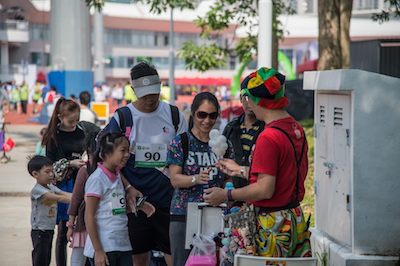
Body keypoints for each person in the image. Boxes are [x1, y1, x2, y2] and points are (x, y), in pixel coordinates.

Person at [204, 67, 312, 257]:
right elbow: (284, 175)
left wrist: (226, 195)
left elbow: (265, 190)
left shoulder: (268, 137)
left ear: (254, 100)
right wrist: (240, 170)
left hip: (273, 225)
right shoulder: (296, 127)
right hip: (294, 219)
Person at [100, 61, 187, 266]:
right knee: (138, 259)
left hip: (169, 202)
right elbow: (106, 161)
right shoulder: (123, 117)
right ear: (133, 90)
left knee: (174, 258)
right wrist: (128, 188)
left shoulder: (174, 115)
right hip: (134, 203)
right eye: (145, 94)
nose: (150, 99)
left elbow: (186, 153)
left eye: (154, 93)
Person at [167, 92, 233, 266]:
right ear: (193, 113)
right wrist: (195, 179)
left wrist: (227, 192)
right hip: (184, 214)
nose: (207, 120)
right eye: (202, 115)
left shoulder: (224, 145)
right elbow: (174, 179)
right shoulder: (180, 142)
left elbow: (229, 179)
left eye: (212, 115)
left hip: (216, 214)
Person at [42, 98, 86, 266]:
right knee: (62, 230)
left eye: (76, 120)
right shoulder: (53, 136)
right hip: (61, 186)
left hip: (79, 183)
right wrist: (70, 163)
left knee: (82, 225)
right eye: (70, 120)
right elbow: (48, 165)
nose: (74, 123)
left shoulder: (81, 132)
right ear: (60, 117)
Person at [84, 133, 133, 266]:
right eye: (123, 150)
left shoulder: (117, 176)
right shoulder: (97, 179)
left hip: (122, 244)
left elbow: (113, 209)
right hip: (106, 247)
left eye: (128, 150)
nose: (127, 154)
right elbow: (89, 216)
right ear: (107, 153)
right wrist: (98, 251)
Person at [28, 155, 72, 266]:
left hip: (48, 229)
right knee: (40, 260)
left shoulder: (50, 187)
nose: (51, 174)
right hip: (39, 231)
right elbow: (60, 198)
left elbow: (65, 194)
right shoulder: (38, 190)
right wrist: (80, 200)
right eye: (47, 172)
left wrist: (81, 196)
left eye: (52, 171)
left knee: (46, 258)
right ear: (35, 174)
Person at [66, 128, 100, 266]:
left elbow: (75, 200)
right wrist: (71, 225)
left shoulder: (86, 171)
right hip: (88, 224)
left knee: (81, 260)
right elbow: (76, 199)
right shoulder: (85, 171)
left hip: (94, 224)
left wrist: (70, 226)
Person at [222, 91, 264, 189]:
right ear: (241, 98)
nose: (250, 102)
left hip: (257, 190)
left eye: (254, 97)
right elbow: (223, 157)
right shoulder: (231, 127)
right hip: (232, 191)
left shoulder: (266, 129)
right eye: (246, 97)